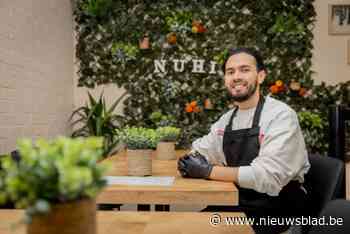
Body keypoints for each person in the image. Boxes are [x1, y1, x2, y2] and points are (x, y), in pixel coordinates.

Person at [177, 47, 310, 234]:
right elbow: (201, 149)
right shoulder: (228, 119)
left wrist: (208, 171)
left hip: (278, 213)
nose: (236, 76)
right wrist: (190, 160)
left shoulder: (280, 115)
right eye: (230, 72)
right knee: (183, 226)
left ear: (261, 76)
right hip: (240, 206)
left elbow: (267, 176)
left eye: (244, 70)